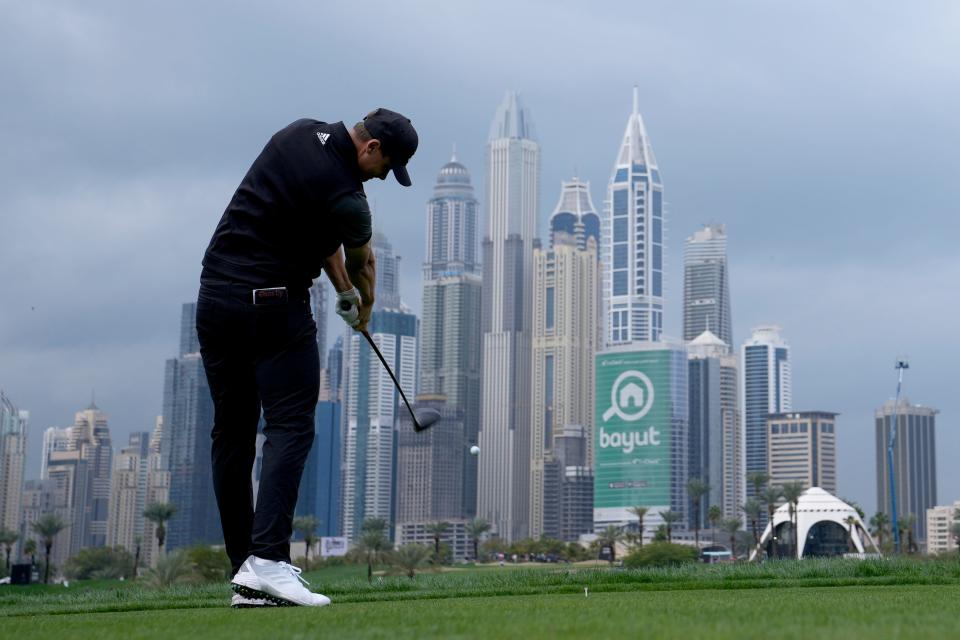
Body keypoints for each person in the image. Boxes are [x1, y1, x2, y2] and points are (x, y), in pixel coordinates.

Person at [195, 108, 418, 607]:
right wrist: (364, 308)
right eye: (386, 169)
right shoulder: (351, 200)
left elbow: (317, 233)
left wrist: (338, 292)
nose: (381, 178)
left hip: (215, 299)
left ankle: (247, 572)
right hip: (274, 306)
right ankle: (269, 560)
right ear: (372, 148)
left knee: (231, 434)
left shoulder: (297, 133)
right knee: (292, 426)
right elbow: (365, 264)